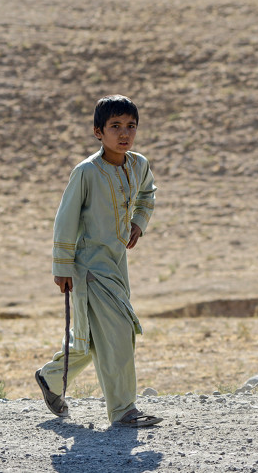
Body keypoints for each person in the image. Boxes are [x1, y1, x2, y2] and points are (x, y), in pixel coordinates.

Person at [34, 95, 162, 428]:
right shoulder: (86, 172)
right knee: (118, 332)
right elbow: (65, 220)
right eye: (115, 126)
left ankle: (51, 377)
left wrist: (139, 223)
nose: (124, 133)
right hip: (89, 266)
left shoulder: (139, 165)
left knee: (91, 337)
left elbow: (148, 193)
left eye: (131, 126)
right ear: (98, 132)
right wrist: (62, 267)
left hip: (116, 263)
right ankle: (123, 410)